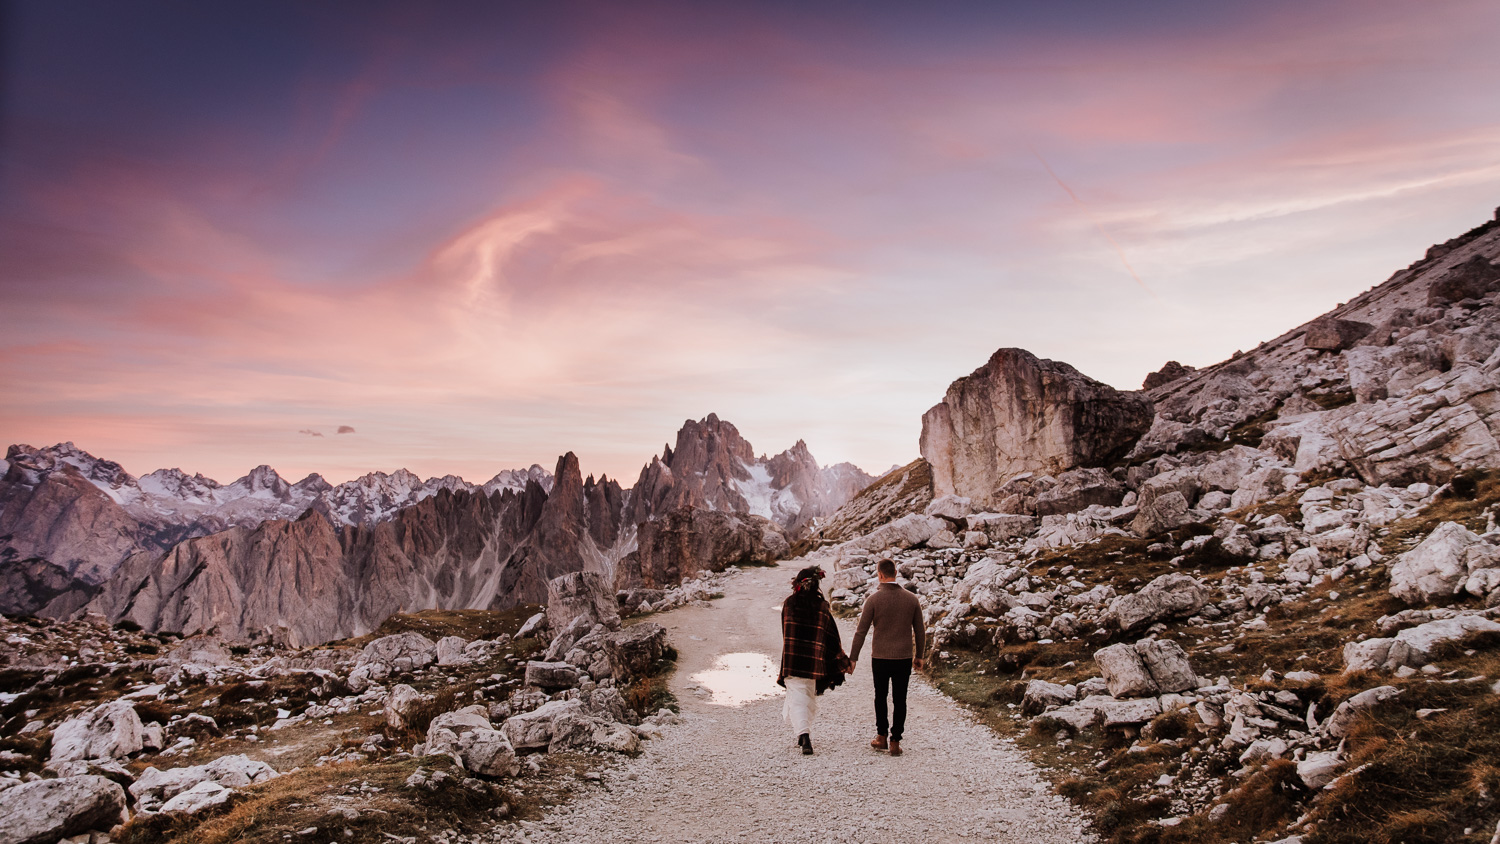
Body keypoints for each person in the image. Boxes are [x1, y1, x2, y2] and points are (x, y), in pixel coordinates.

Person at [848, 558, 925, 757]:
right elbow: (920, 631)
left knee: (880, 696)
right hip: (903, 657)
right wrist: (920, 656)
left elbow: (861, 632)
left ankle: (881, 736)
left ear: (880, 574)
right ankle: (895, 741)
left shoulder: (873, 600)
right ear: (896, 573)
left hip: (880, 657)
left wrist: (853, 658)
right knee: (900, 699)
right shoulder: (911, 599)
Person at [776, 565, 849, 755]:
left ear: (797, 584)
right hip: (813, 662)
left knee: (798, 697)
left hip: (792, 659)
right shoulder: (822, 607)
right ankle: (803, 733)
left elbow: (786, 632)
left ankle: (804, 735)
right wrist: (843, 661)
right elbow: (832, 636)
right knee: (806, 697)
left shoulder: (789, 604)